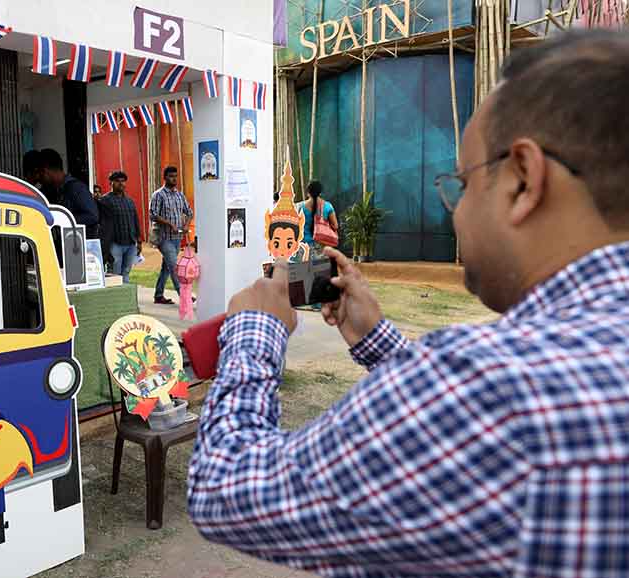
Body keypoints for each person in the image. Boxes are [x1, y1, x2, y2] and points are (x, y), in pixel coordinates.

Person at [188, 30, 629, 576]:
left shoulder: (490, 388)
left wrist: (254, 331)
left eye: (462, 185)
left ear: (523, 181)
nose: (455, 212)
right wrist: (379, 342)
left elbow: (224, 488)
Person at [150, 166, 193, 305]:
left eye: (175, 176)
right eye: (170, 176)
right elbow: (153, 215)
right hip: (164, 237)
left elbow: (189, 212)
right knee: (174, 266)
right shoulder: (159, 195)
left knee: (167, 267)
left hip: (177, 238)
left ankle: (158, 295)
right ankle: (184, 296)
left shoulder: (180, 195)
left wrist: (186, 224)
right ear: (165, 178)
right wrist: (169, 224)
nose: (173, 179)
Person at [37, 148, 98, 237]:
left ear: (45, 171)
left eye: (40, 173)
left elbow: (93, 216)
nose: (39, 179)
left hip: (80, 246)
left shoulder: (76, 188)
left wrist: (63, 219)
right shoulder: (55, 189)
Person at [98, 171, 142, 283]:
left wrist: (139, 241)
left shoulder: (129, 201)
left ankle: (125, 298)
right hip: (115, 244)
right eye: (117, 181)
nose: (121, 183)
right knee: (114, 274)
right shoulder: (105, 200)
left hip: (130, 243)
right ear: (111, 183)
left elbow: (135, 220)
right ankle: (113, 298)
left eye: (123, 181)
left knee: (126, 272)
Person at [299, 180, 338, 255]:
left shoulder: (299, 207)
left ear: (308, 192)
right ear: (320, 192)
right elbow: (335, 226)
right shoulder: (327, 206)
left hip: (303, 247)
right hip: (320, 246)